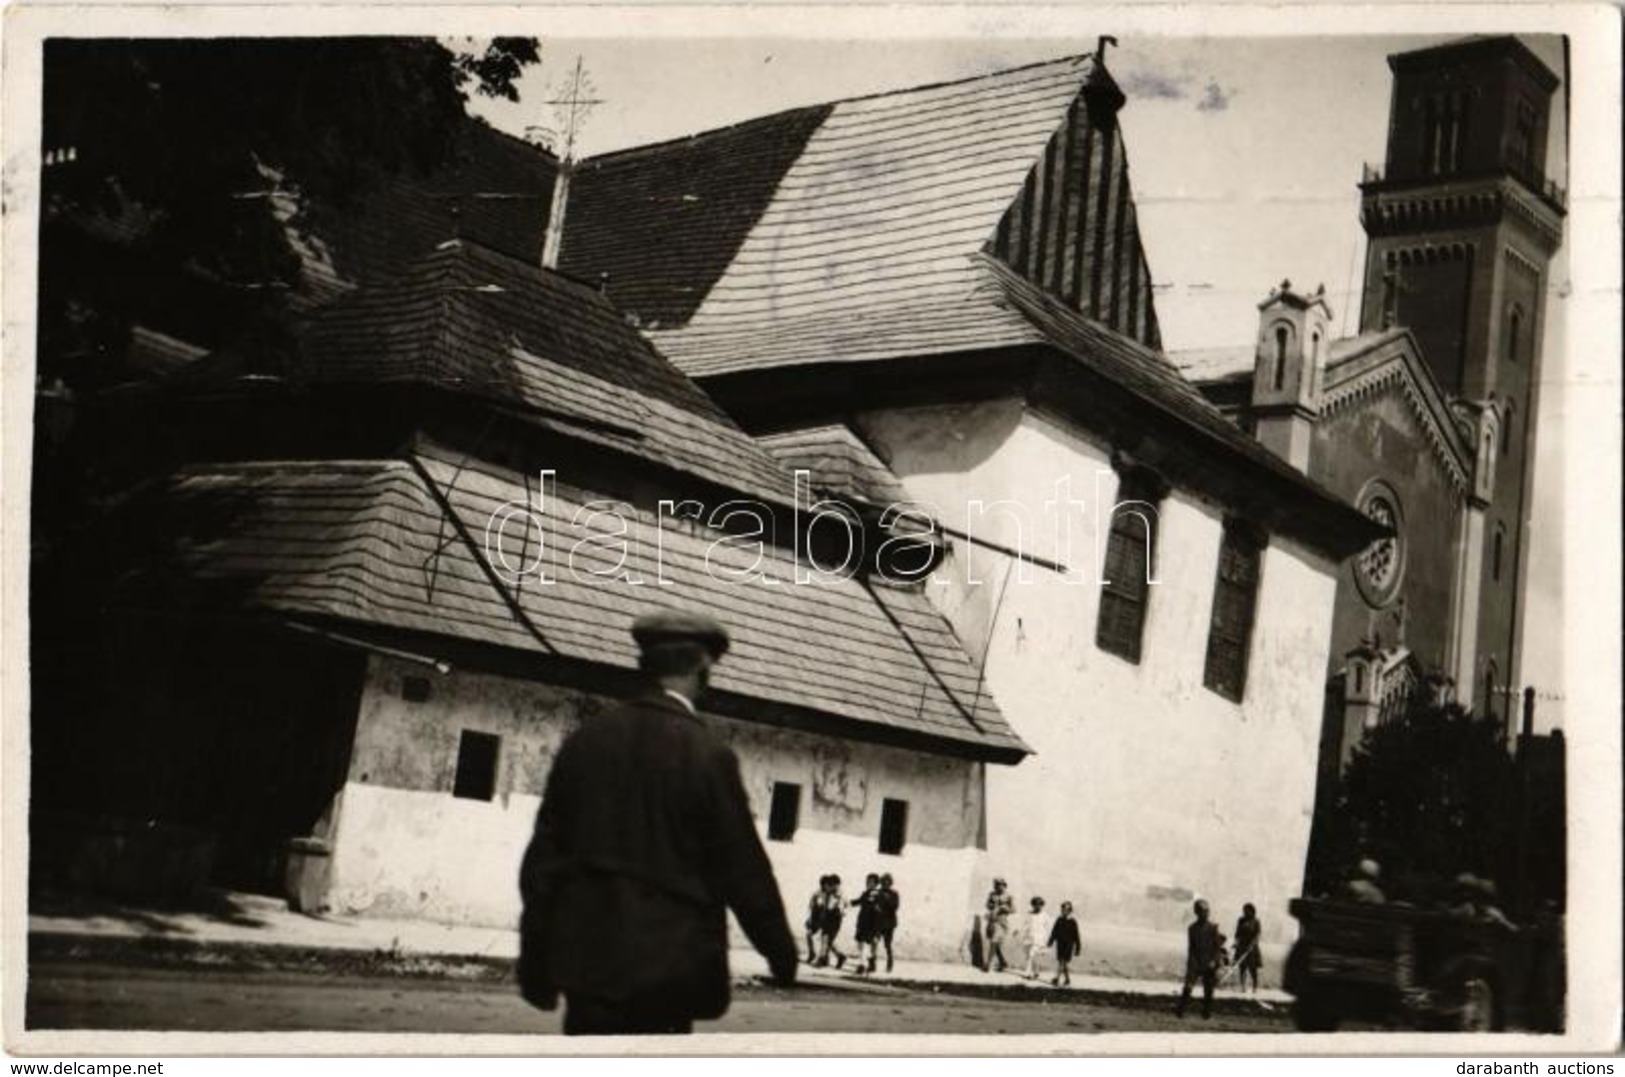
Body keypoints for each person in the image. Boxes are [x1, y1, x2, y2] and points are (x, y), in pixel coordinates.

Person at [517, 610, 798, 1035]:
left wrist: (535, 957)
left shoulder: (586, 742)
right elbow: (743, 869)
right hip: (668, 972)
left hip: (589, 969)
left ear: (643, 666)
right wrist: (779, 951)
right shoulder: (707, 756)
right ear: (703, 671)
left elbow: (542, 864)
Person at [1175, 898, 1226, 1019]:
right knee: (1188, 987)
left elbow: (1217, 948)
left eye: (1208, 911)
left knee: (1208, 990)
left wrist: (1214, 961)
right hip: (1195, 962)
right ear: (1197, 912)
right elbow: (1191, 948)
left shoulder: (1213, 928)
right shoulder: (1192, 929)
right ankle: (1181, 1010)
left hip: (1209, 963)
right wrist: (1191, 964)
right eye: (1203, 911)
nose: (1206, 913)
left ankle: (1206, 1012)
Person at [851, 873, 882, 973]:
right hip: (862, 922)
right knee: (861, 943)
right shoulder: (865, 893)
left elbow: (879, 909)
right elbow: (859, 901)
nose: (868, 884)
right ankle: (867, 963)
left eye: (871, 882)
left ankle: (863, 965)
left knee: (867, 944)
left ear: (876, 884)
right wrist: (849, 902)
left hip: (871, 923)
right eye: (867, 881)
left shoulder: (878, 894)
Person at [816, 874, 848, 969]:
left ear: (838, 885)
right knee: (826, 940)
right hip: (827, 918)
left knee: (827, 940)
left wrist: (841, 911)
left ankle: (823, 958)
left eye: (835, 884)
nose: (833, 886)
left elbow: (845, 906)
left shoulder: (840, 895)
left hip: (835, 920)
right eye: (832, 884)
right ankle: (839, 956)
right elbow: (822, 904)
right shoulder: (826, 893)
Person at [1231, 903, 1263, 994]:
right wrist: (1236, 942)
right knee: (1242, 967)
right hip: (1242, 946)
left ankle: (1255, 986)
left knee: (1253, 968)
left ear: (1252, 911)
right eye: (1244, 910)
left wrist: (1252, 945)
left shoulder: (1256, 921)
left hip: (1252, 948)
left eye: (1247, 910)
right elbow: (1237, 933)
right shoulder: (1241, 920)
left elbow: (1257, 934)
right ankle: (1243, 986)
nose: (1245, 912)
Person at [984, 878, 1014, 973]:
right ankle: (1003, 962)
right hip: (992, 920)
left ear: (1004, 885)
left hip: (1002, 922)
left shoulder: (1009, 896)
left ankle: (988, 964)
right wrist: (992, 905)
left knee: (994, 941)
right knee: (994, 942)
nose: (998, 887)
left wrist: (1003, 908)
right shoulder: (992, 894)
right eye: (996, 885)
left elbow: (1013, 910)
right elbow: (987, 905)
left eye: (1001, 885)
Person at [1048, 901, 1081, 986]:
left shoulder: (1073, 922)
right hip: (1060, 944)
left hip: (1069, 944)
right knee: (1063, 962)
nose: (1064, 911)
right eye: (1063, 909)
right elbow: (1054, 931)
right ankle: (1067, 979)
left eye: (1066, 910)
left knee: (1062, 961)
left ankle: (1057, 978)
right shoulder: (1059, 920)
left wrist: (1078, 948)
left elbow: (1076, 935)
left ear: (1070, 911)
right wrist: (1051, 941)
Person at [875, 873, 901, 973]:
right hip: (878, 922)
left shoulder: (894, 894)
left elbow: (895, 907)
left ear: (890, 883)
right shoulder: (878, 892)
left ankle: (889, 965)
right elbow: (874, 904)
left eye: (887, 882)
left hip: (889, 923)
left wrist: (888, 899)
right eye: (883, 882)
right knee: (874, 943)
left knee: (887, 945)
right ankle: (872, 964)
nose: (885, 884)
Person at [1023, 896, 1052, 980]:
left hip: (1039, 939)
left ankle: (1027, 973)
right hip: (1029, 938)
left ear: (1042, 905)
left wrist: (1047, 940)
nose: (1037, 906)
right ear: (1032, 905)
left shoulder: (1045, 915)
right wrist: (1018, 931)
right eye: (1035, 905)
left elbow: (1048, 928)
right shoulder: (1029, 914)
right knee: (1031, 956)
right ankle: (1036, 972)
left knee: (1031, 954)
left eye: (1040, 905)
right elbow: (1025, 924)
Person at [804, 876, 830, 964]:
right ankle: (812, 953)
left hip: (825, 920)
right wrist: (809, 918)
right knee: (809, 935)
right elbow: (811, 906)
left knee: (826, 940)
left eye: (827, 885)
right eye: (824, 884)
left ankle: (834, 956)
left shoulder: (830, 895)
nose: (826, 886)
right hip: (816, 919)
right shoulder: (817, 894)